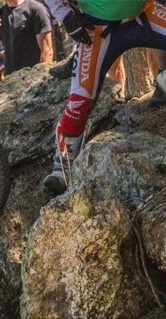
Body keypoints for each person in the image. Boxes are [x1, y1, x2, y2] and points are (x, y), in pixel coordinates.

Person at [42, 0, 166, 196]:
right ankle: (62, 166)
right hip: (97, 28)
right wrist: (65, 16)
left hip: (144, 12)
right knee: (79, 102)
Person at [0, 0, 53, 76]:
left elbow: (47, 51)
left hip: (32, 76)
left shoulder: (36, 9)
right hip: (11, 79)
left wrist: (39, 80)